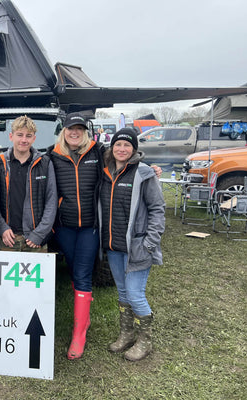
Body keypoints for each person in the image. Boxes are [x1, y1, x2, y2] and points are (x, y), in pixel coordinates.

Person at [99, 128, 165, 362]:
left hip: (138, 245)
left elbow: (157, 209)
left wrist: (150, 242)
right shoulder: (106, 172)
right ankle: (127, 334)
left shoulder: (144, 173)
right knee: (123, 292)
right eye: (118, 145)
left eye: (127, 145)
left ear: (134, 149)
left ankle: (145, 340)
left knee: (136, 294)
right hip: (114, 245)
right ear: (112, 147)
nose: (122, 149)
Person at [48, 112, 106, 360]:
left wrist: (149, 167)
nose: (75, 132)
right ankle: (85, 318)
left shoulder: (98, 151)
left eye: (79, 129)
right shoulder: (52, 155)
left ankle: (78, 334)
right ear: (64, 130)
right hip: (65, 226)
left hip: (90, 226)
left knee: (82, 273)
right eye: (71, 128)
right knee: (73, 269)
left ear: (85, 132)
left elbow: (124, 160)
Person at [0, 115, 57, 252]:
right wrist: (2, 228)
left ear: (34, 138)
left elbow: (51, 201)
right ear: (11, 136)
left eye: (28, 136)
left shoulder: (45, 163)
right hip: (7, 238)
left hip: (35, 240)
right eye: (19, 135)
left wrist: (39, 234)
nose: (23, 140)